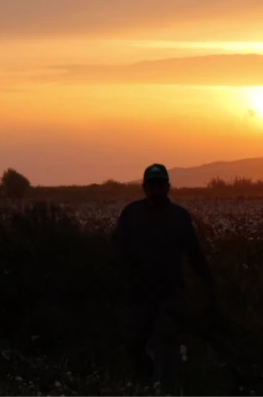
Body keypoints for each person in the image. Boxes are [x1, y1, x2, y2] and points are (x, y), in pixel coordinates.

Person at [111, 163, 216, 393]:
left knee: (165, 342)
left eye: (160, 185)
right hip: (139, 293)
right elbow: (118, 250)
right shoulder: (131, 214)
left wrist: (209, 283)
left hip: (170, 293)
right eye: (152, 185)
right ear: (144, 187)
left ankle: (165, 387)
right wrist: (115, 284)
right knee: (136, 345)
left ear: (167, 187)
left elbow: (194, 254)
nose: (156, 189)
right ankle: (147, 383)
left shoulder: (179, 217)